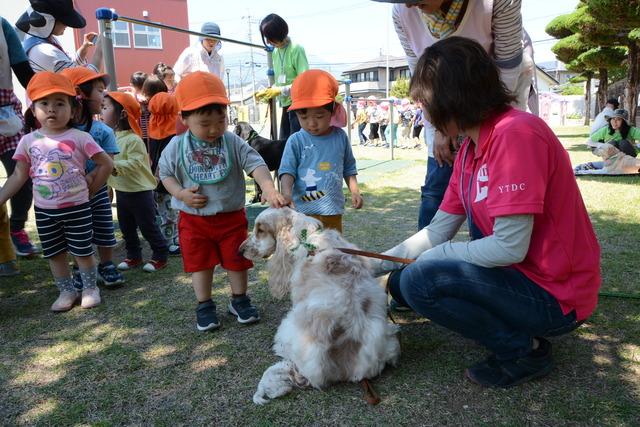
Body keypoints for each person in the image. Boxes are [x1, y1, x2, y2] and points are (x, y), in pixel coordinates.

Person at [371, 37, 601, 388]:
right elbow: (437, 231)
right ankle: (514, 331)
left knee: (421, 280)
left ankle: (524, 350)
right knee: (406, 281)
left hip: (557, 296)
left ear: (451, 98)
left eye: (425, 104)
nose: (425, 115)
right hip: (518, 279)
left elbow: (509, 247)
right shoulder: (468, 150)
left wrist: (436, 258)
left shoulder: (516, 135)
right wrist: (370, 263)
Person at [372, 0, 536, 230]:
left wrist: (477, 135)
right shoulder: (403, 12)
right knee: (436, 189)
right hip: (450, 112)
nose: (409, 5)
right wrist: (440, 127)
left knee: (486, 194)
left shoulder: (496, 3)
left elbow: (507, 72)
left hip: (496, 105)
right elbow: (422, 80)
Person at [158, 71, 287, 331]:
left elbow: (256, 164)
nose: (215, 129)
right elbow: (165, 174)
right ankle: (204, 305)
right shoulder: (177, 145)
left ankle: (239, 300)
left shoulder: (231, 141)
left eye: (221, 120)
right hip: (193, 222)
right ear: (184, 117)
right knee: (200, 264)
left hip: (230, 218)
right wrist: (181, 194)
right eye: (205, 124)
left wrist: (269, 188)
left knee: (237, 260)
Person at [0, 71, 113, 311]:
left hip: (78, 208)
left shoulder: (81, 137)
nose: (51, 109)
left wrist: (93, 187)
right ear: (33, 110)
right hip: (44, 212)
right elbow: (19, 175)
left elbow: (106, 163)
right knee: (55, 254)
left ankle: (90, 288)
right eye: (44, 103)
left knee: (82, 251)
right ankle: (66, 291)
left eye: (59, 103)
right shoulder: (28, 141)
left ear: (73, 110)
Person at [60, 67, 124, 287]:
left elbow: (108, 161)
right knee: (78, 232)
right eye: (99, 90)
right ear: (80, 94)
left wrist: (93, 186)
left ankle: (106, 264)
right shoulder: (61, 134)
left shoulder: (102, 131)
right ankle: (80, 267)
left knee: (105, 227)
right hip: (71, 195)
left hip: (97, 192)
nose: (103, 96)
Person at [279, 69, 364, 233]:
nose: (311, 123)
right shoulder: (296, 140)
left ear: (332, 110)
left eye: (319, 116)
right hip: (302, 213)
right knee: (307, 253)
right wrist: (287, 194)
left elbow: (349, 167)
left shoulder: (340, 137)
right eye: (303, 118)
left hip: (333, 210)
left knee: (332, 254)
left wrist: (355, 191)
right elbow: (287, 171)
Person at [101, 91, 169, 273]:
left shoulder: (133, 140)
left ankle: (160, 254)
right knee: (127, 227)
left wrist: (112, 165)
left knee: (148, 226)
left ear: (122, 114)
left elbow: (136, 162)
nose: (101, 111)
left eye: (105, 107)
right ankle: (134, 256)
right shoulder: (111, 137)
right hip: (122, 192)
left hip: (140, 193)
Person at [1, 16, 38, 260]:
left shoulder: (2, 26)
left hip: (5, 112)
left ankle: (16, 226)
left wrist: (45, 92)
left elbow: (24, 69)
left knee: (23, 174)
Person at [255, 14, 309, 140]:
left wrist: (279, 90)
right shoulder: (275, 52)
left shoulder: (296, 49)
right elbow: (280, 83)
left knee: (297, 145)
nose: (268, 41)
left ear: (279, 33)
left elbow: (304, 82)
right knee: (284, 145)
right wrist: (269, 91)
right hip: (286, 105)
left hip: (299, 106)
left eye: (270, 37)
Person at [16, 0, 102, 73]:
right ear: (49, 21)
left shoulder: (42, 37)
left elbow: (68, 63)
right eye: (65, 21)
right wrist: (101, 49)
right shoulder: (45, 51)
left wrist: (84, 47)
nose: (67, 25)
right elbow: (86, 80)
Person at [148, 92, 181, 256]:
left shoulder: (153, 126)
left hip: (159, 182)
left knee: (169, 213)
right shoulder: (174, 128)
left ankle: (174, 239)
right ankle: (170, 243)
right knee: (169, 214)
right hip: (168, 181)